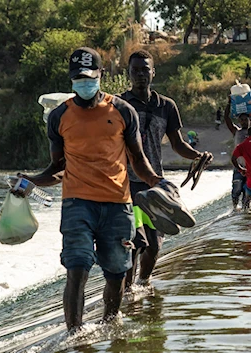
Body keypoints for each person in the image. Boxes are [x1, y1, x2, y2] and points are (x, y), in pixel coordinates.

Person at [14, 47, 169, 332]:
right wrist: (31, 180)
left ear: (101, 75)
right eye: (78, 79)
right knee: (77, 269)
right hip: (77, 205)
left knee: (116, 273)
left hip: (117, 205)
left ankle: (111, 325)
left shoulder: (123, 111)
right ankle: (75, 335)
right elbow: (57, 168)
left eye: (89, 77)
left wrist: (157, 182)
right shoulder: (60, 116)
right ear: (71, 80)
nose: (83, 83)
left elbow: (138, 160)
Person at [119, 49, 212, 290]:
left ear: (153, 72)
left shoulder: (166, 106)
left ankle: (143, 284)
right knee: (133, 243)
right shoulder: (120, 104)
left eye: (145, 70)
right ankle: (127, 292)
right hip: (124, 185)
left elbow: (177, 144)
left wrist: (198, 155)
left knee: (155, 244)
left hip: (154, 184)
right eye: (135, 70)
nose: (140, 75)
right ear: (128, 74)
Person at [224, 97, 251, 209]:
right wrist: (229, 103)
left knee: (247, 192)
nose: (244, 122)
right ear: (239, 121)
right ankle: (235, 209)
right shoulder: (236, 132)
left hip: (250, 168)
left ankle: (246, 212)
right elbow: (226, 119)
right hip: (238, 167)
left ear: (250, 120)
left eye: (246, 120)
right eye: (242, 120)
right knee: (236, 190)